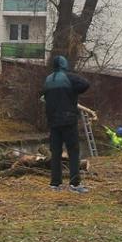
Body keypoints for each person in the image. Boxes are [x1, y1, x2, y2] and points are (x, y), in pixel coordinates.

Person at [41, 55, 90, 192]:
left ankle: (55, 183)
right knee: (73, 152)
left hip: (53, 122)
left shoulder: (48, 79)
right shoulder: (69, 77)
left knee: (55, 152)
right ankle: (74, 183)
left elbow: (43, 95)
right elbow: (86, 84)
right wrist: (74, 91)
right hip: (69, 121)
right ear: (64, 65)